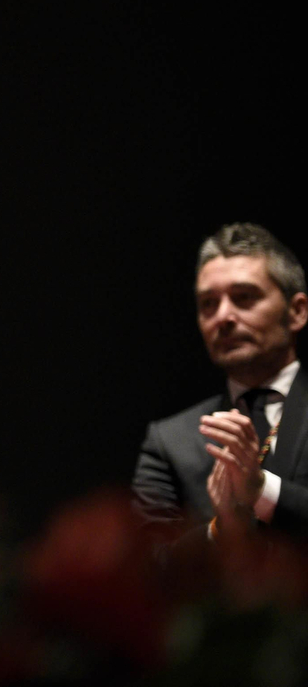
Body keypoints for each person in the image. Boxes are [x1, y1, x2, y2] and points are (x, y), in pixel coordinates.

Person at [133, 223, 307, 542]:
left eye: (243, 297)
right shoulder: (170, 441)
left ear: (297, 311)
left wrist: (261, 491)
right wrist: (221, 529)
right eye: (208, 304)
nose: (223, 316)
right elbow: (148, 566)